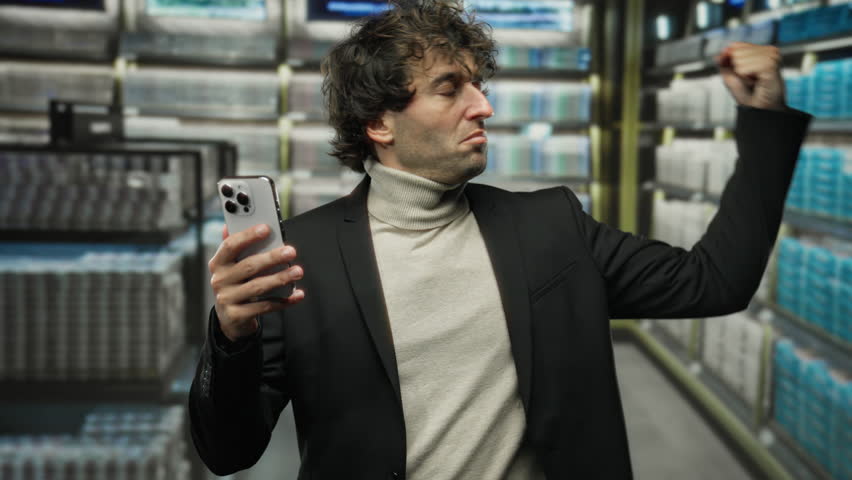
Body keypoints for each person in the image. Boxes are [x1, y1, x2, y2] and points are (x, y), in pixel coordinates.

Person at [188, 1, 811, 478]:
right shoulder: (300, 260)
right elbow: (228, 451)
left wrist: (764, 122)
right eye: (449, 88)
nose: (483, 106)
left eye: (478, 85)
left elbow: (714, 281)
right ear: (379, 122)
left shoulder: (550, 226)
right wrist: (232, 337)